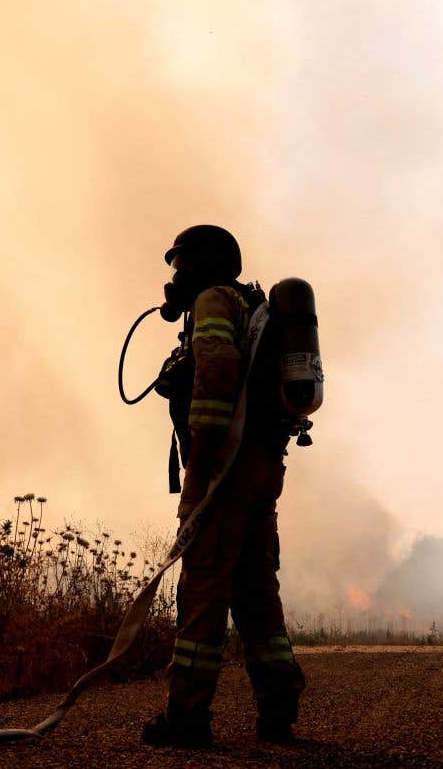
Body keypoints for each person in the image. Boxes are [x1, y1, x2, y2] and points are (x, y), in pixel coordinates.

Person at [141, 225, 306, 748]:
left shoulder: (214, 301)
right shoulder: (253, 306)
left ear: (202, 265)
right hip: (261, 469)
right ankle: (279, 711)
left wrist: (206, 459)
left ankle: (187, 718)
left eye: (180, 265)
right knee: (256, 588)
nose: (174, 277)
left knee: (204, 586)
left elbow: (216, 370)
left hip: (224, 469)